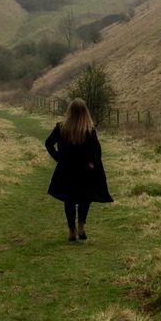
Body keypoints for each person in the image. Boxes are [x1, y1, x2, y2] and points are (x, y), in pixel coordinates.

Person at [45, 98, 113, 241]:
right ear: (84, 112)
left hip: (66, 169)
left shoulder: (61, 127)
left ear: (70, 111)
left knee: (69, 199)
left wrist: (59, 158)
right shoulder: (89, 129)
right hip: (85, 171)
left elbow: (48, 143)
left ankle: (72, 230)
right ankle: (81, 226)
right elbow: (97, 151)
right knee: (84, 198)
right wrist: (92, 163)